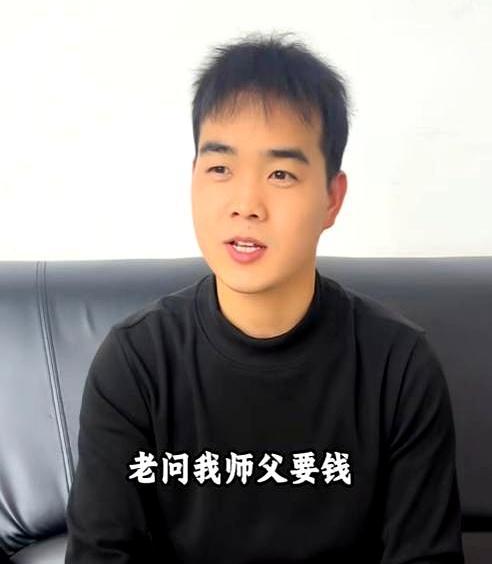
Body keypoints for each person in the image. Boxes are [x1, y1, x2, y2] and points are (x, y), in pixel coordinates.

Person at [64, 31, 465, 563]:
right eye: (220, 168)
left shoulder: (399, 367)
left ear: (332, 199)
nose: (246, 204)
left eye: (280, 173)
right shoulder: (137, 364)